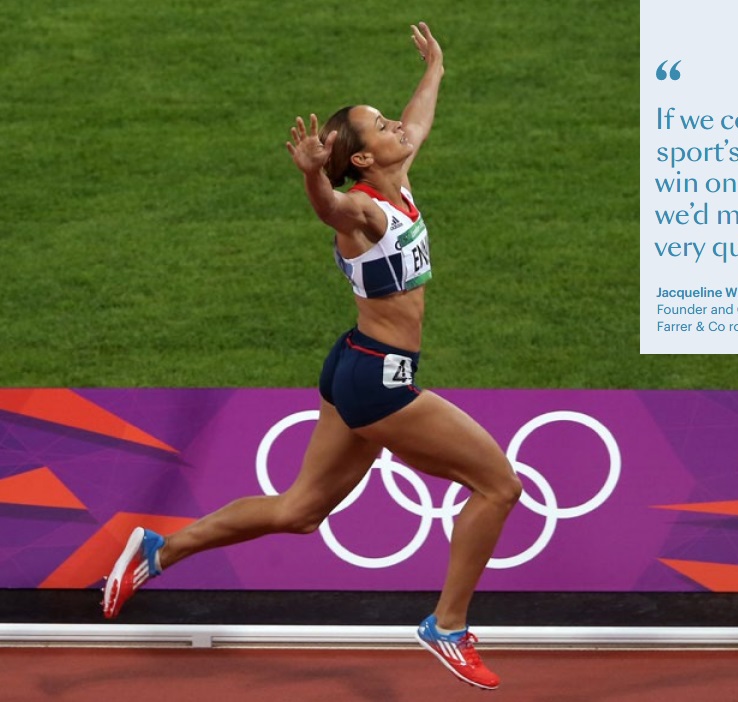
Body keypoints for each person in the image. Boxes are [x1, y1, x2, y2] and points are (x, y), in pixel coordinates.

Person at [101, 21, 522, 691]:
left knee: (299, 510)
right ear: (359, 160)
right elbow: (330, 207)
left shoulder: (396, 179)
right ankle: (446, 625)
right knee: (499, 485)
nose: (396, 128)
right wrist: (309, 181)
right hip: (380, 382)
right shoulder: (361, 209)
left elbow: (417, 124)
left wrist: (435, 69)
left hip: (351, 363)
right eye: (380, 126)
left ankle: (161, 548)